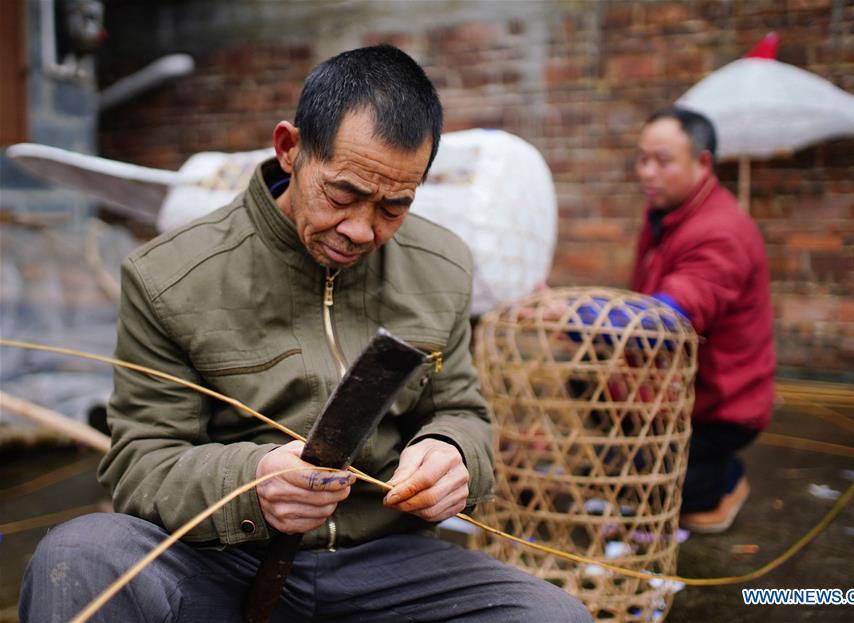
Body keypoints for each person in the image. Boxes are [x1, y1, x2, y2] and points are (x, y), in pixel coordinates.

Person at [20, 45, 591, 622]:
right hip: (222, 559)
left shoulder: (441, 264)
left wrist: (455, 454)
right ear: (290, 149)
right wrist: (252, 483)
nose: (361, 228)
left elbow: (463, 409)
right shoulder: (170, 276)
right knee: (79, 556)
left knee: (553, 616)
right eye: (343, 193)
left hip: (384, 564)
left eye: (395, 206)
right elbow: (140, 464)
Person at [630, 106, 775, 533]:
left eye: (663, 160)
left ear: (703, 162)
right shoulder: (665, 211)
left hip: (721, 405)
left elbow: (670, 316)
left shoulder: (720, 230)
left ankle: (724, 480)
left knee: (675, 500)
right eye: (642, 158)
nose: (647, 172)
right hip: (672, 390)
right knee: (613, 445)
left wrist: (576, 317)